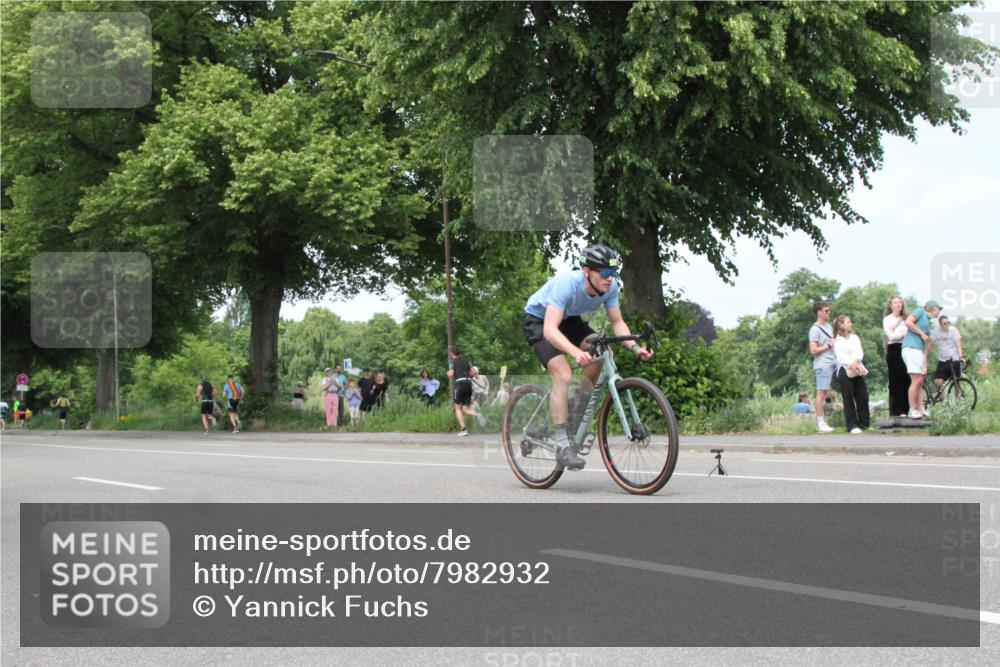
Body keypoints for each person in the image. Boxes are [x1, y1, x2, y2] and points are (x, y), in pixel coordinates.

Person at [522, 243, 653, 469]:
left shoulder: (610, 288)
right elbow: (550, 330)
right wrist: (575, 352)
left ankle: (574, 409)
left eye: (612, 272)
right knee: (562, 374)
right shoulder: (567, 284)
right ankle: (563, 443)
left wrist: (634, 347)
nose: (609, 278)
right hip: (540, 321)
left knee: (604, 354)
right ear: (586, 272)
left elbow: (617, 322)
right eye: (604, 272)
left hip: (570, 319)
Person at [902, 300, 941, 419]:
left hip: (919, 351)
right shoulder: (920, 312)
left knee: (920, 382)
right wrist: (921, 333)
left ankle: (921, 409)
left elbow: (926, 347)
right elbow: (908, 322)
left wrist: (925, 364)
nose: (939, 312)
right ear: (932, 308)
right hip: (911, 348)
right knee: (916, 381)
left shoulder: (928, 322)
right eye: (939, 309)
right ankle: (912, 409)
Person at [833, 315, 870, 434]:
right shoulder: (838, 341)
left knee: (863, 396)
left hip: (858, 368)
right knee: (848, 398)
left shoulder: (854, 338)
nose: (851, 324)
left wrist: (856, 362)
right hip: (845, 370)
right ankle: (852, 425)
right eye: (848, 322)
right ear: (841, 325)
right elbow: (841, 357)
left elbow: (860, 351)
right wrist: (851, 363)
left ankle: (864, 423)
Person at [808, 302, 837, 433]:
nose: (829, 313)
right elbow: (813, 350)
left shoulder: (829, 327)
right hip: (823, 364)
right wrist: (828, 346)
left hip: (834, 361)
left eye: (829, 310)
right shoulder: (814, 329)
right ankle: (820, 422)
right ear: (819, 312)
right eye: (826, 311)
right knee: (821, 392)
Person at [882, 296, 910, 418]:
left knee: (907, 379)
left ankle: (907, 408)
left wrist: (900, 334)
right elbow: (891, 336)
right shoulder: (887, 319)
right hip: (894, 349)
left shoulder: (906, 319)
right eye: (895, 302)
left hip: (906, 348)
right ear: (891, 305)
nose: (898, 304)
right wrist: (903, 334)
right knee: (895, 380)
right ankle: (896, 410)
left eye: (900, 302)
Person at [447, 347, 484, 436]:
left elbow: (451, 374)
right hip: (468, 383)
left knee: (457, 408)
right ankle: (477, 415)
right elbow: (474, 372)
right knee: (466, 408)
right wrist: (466, 374)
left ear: (452, 353)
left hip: (460, 384)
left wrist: (448, 373)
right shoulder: (466, 361)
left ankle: (464, 430)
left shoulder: (453, 362)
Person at [931, 315, 964, 393]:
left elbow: (958, 345)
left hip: (954, 359)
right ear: (940, 325)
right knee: (938, 382)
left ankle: (959, 403)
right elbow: (929, 344)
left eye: (948, 323)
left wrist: (961, 357)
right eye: (944, 323)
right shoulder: (936, 331)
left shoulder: (954, 330)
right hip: (942, 360)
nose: (947, 325)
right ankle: (942, 401)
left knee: (957, 383)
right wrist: (925, 356)